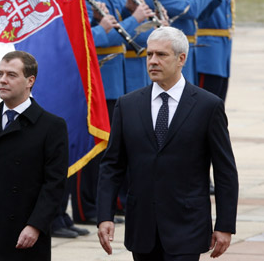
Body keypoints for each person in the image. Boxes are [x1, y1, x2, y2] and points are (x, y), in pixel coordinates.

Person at [97, 26, 239, 260]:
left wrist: (225, 225)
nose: (153, 61)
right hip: (142, 228)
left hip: (188, 227)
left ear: (181, 58)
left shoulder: (207, 106)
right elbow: (112, 166)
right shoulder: (127, 105)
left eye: (161, 55)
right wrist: (104, 216)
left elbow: (225, 171)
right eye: (149, 54)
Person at [0, 51, 69, 261]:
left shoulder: (51, 126)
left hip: (25, 234)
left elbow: (55, 184)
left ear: (30, 81)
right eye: (0, 74)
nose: (3, 80)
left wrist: (36, 225)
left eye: (11, 75)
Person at [71, 0, 129, 227]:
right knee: (91, 145)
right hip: (95, 80)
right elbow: (77, 41)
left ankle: (105, 204)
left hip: (113, 77)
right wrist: (111, 27)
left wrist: (130, 12)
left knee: (110, 148)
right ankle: (84, 207)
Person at [106, 0, 159, 93]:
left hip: (142, 66)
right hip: (129, 66)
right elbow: (127, 32)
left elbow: (140, 27)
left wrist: (156, 24)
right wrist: (152, 30)